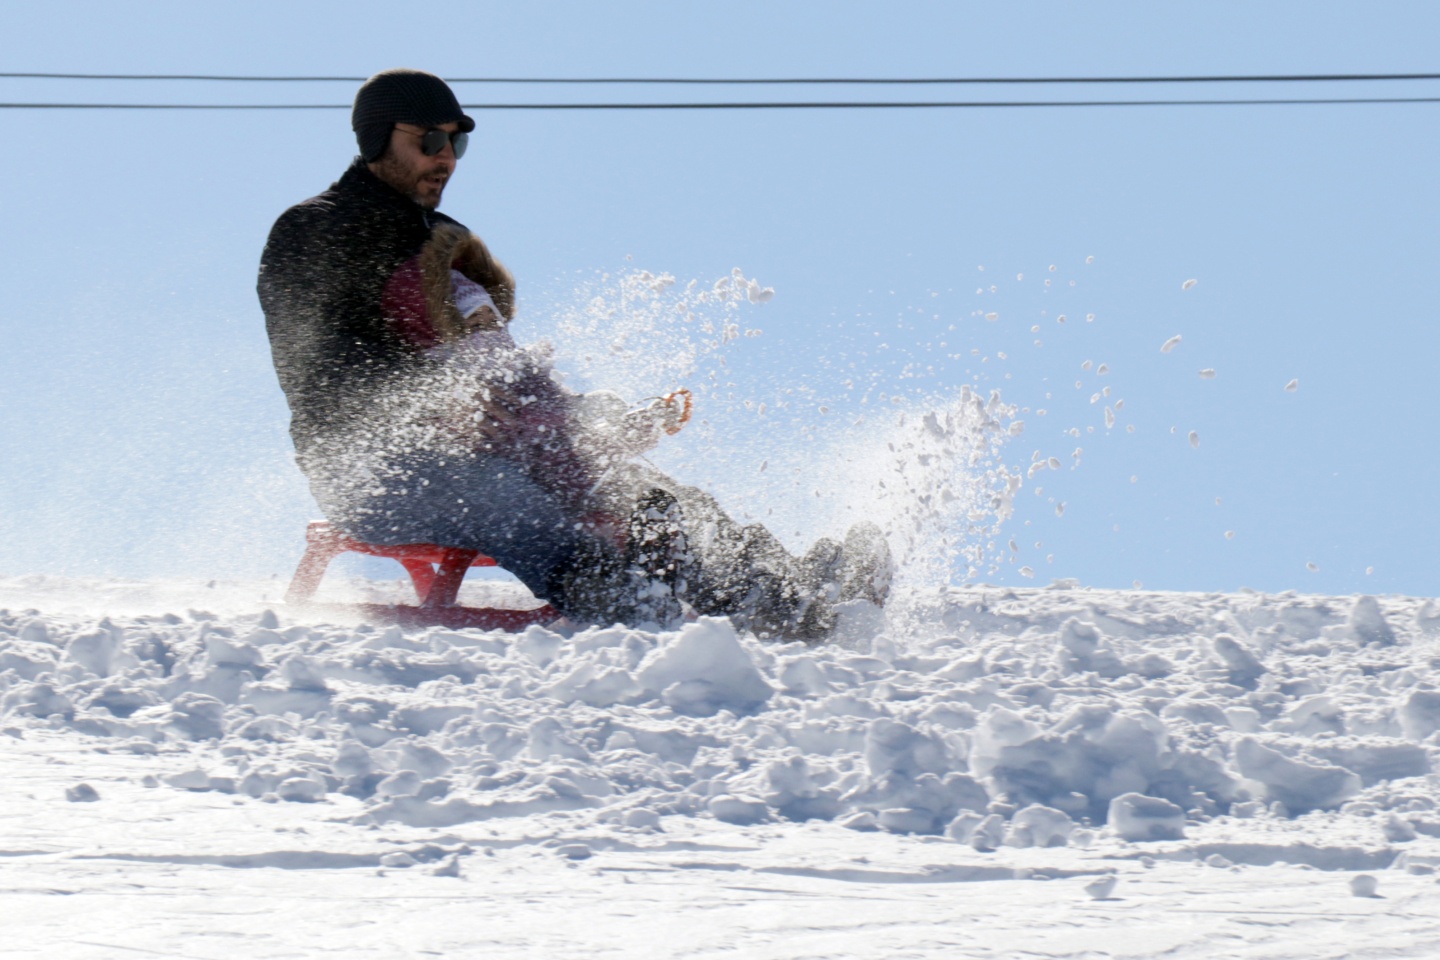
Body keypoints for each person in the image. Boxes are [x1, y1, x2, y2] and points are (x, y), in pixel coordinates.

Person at [257, 68, 889, 638]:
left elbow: (506, 376)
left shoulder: (442, 244)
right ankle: (620, 596)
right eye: (429, 140)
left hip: (478, 446)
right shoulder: (314, 230)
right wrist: (423, 409)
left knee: (628, 485)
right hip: (370, 468)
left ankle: (780, 588)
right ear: (375, 139)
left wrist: (599, 423)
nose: (446, 157)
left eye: (457, 142)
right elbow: (315, 369)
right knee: (504, 490)